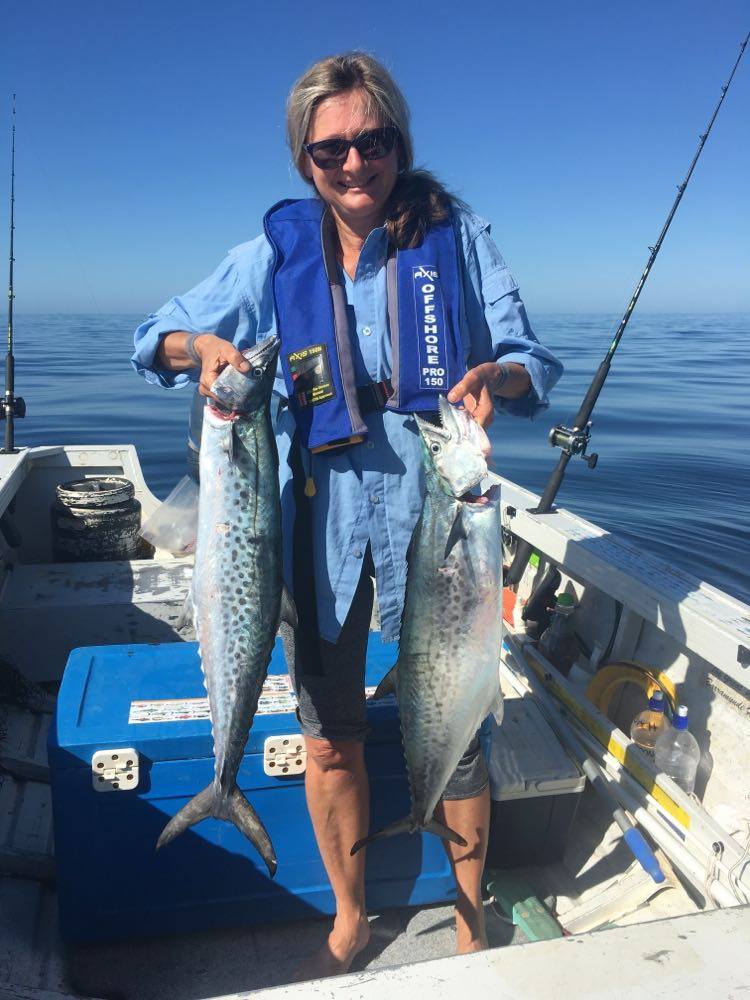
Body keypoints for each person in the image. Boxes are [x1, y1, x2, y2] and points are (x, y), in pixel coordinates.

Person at [132, 51, 562, 978]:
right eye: (331, 151)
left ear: (399, 142)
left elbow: (532, 361)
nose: (355, 163)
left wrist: (500, 376)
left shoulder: (460, 237)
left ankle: (467, 913)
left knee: (460, 725)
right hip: (317, 530)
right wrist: (197, 345)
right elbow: (151, 341)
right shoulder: (273, 257)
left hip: (442, 524)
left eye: (372, 142)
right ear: (304, 163)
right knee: (329, 735)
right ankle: (350, 913)